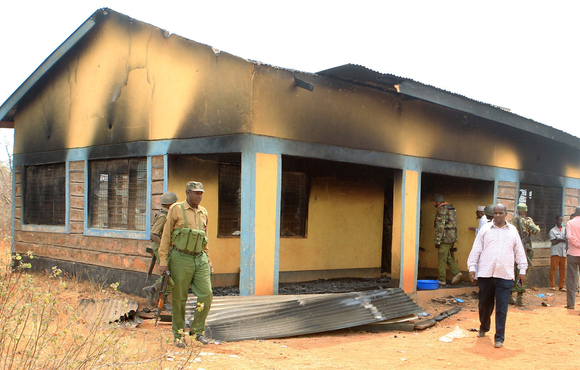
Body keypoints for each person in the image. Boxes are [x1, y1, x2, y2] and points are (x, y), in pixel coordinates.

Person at [159, 181, 213, 347]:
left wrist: (208, 260)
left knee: (206, 294)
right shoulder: (176, 209)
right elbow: (166, 236)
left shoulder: (203, 212)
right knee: (179, 298)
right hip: (180, 257)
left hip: (200, 257)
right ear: (188, 193)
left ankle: (197, 331)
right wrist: (163, 261)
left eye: (201, 193)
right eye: (196, 193)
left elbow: (205, 239)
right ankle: (179, 335)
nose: (200, 196)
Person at [467, 203, 528, 349]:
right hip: (486, 274)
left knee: (502, 307)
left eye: (501, 213)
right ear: (492, 214)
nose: (498, 216)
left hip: (505, 275)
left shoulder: (512, 231)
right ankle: (484, 327)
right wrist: (471, 268)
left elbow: (519, 251)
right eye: (495, 213)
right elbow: (476, 249)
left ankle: (499, 337)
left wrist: (522, 270)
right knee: (484, 304)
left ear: (506, 214)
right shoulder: (485, 230)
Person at [143, 191, 178, 304]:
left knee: (170, 274)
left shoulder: (168, 214)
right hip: (160, 246)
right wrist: (164, 247)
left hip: (164, 246)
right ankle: (159, 295)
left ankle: (154, 291)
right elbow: (153, 234)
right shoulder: (163, 216)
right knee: (168, 273)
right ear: (169, 204)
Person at [509, 203, 540, 306]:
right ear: (525, 211)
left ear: (517, 211)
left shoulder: (512, 222)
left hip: (513, 251)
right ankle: (519, 297)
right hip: (525, 250)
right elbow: (536, 231)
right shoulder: (527, 221)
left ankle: (509, 295)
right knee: (523, 273)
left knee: (512, 272)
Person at [432, 193, 462, 285]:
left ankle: (441, 279)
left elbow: (440, 226)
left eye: (433, 203)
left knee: (441, 257)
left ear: (436, 202)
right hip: (452, 237)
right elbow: (455, 224)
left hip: (444, 238)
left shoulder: (442, 210)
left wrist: (437, 240)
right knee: (446, 256)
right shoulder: (452, 208)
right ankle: (457, 272)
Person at [565, 207, 580, 309]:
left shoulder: (570, 223)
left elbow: (569, 236)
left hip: (572, 254)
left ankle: (571, 304)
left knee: (571, 279)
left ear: (575, 213)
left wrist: (578, 244)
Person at [548, 215, 567, 291]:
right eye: (559, 220)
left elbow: (567, 240)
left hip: (563, 252)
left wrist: (558, 239)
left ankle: (561, 286)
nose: (560, 222)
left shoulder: (565, 230)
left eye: (561, 220)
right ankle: (552, 285)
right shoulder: (552, 231)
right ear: (556, 220)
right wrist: (562, 239)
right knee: (553, 269)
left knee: (563, 270)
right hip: (555, 252)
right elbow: (553, 241)